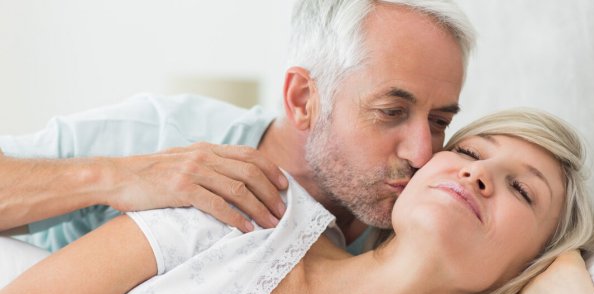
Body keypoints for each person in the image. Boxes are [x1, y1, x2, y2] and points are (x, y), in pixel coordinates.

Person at [0, 109, 594, 294]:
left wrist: (567, 291)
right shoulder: (246, 209)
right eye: (471, 151)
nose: (480, 175)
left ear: (528, 263)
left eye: (522, 190)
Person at [0, 0, 474, 254]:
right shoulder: (163, 133)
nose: (422, 154)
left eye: (439, 121)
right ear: (303, 100)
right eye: (391, 111)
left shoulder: (421, 220)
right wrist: (116, 178)